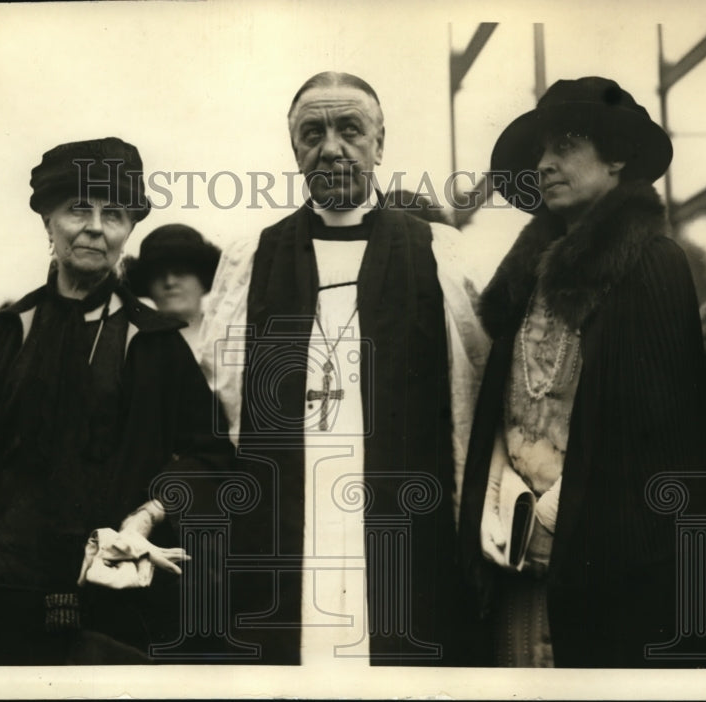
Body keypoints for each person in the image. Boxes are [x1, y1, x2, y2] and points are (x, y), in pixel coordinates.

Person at [197, 71, 488, 666]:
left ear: (380, 143)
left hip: (406, 527)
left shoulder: (437, 252)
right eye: (313, 133)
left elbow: (468, 404)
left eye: (350, 129)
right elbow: (225, 409)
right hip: (286, 527)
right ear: (294, 149)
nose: (331, 148)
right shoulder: (253, 260)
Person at [457, 76, 706, 668]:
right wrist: (500, 499)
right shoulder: (526, 279)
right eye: (540, 151)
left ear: (617, 156)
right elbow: (503, 407)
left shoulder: (653, 264)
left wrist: (555, 516)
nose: (544, 163)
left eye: (566, 144)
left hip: (602, 565)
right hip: (514, 554)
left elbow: (658, 435)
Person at [0, 137, 233, 665]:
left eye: (112, 214)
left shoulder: (155, 342)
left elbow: (212, 455)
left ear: (128, 230)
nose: (95, 227)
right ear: (48, 221)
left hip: (121, 607)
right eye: (78, 209)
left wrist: (148, 514)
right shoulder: (4, 334)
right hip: (7, 606)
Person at [125, 224, 221, 355]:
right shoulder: (132, 346)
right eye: (158, 274)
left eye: (181, 272)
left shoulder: (231, 338)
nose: (169, 282)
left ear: (203, 279)